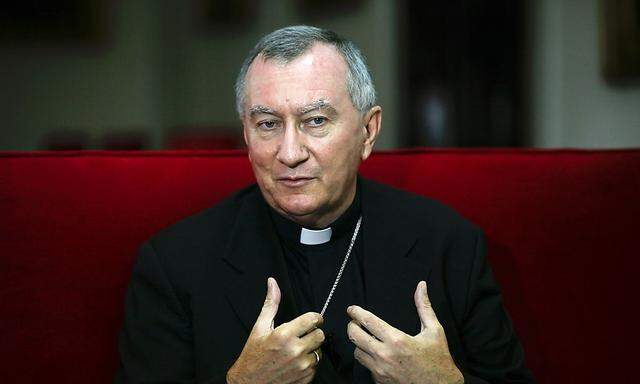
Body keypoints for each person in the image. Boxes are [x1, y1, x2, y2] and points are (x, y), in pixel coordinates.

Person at [115, 25, 534, 384]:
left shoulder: (448, 243)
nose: (290, 152)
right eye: (268, 124)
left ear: (368, 132)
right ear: (245, 133)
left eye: (315, 121)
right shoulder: (174, 263)